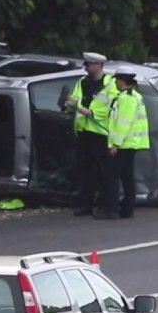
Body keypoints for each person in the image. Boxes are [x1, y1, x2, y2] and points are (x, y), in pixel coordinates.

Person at [64, 52, 117, 218]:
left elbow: (112, 106)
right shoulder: (82, 82)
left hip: (101, 133)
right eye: (86, 65)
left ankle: (104, 206)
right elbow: (75, 100)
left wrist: (92, 112)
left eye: (89, 65)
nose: (86, 68)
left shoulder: (111, 84)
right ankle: (85, 205)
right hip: (84, 132)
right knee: (85, 172)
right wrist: (71, 103)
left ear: (99, 65)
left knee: (103, 173)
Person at [106, 72, 150, 218]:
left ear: (122, 81)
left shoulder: (127, 98)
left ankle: (112, 210)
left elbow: (123, 123)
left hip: (124, 143)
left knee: (113, 176)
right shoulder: (135, 96)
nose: (116, 83)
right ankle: (127, 209)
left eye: (117, 80)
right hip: (131, 143)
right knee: (127, 176)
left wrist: (115, 144)